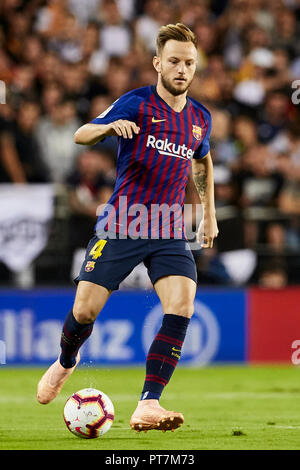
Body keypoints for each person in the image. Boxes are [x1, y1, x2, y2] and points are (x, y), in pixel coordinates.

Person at [37, 23, 218, 433]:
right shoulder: (136, 103)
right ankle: (66, 361)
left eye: (189, 63)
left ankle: (148, 404)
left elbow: (202, 160)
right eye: (174, 61)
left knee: (183, 303)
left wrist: (208, 211)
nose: (182, 69)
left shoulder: (200, 118)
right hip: (123, 223)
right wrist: (107, 128)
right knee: (84, 310)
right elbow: (82, 133)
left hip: (168, 227)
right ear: (158, 63)